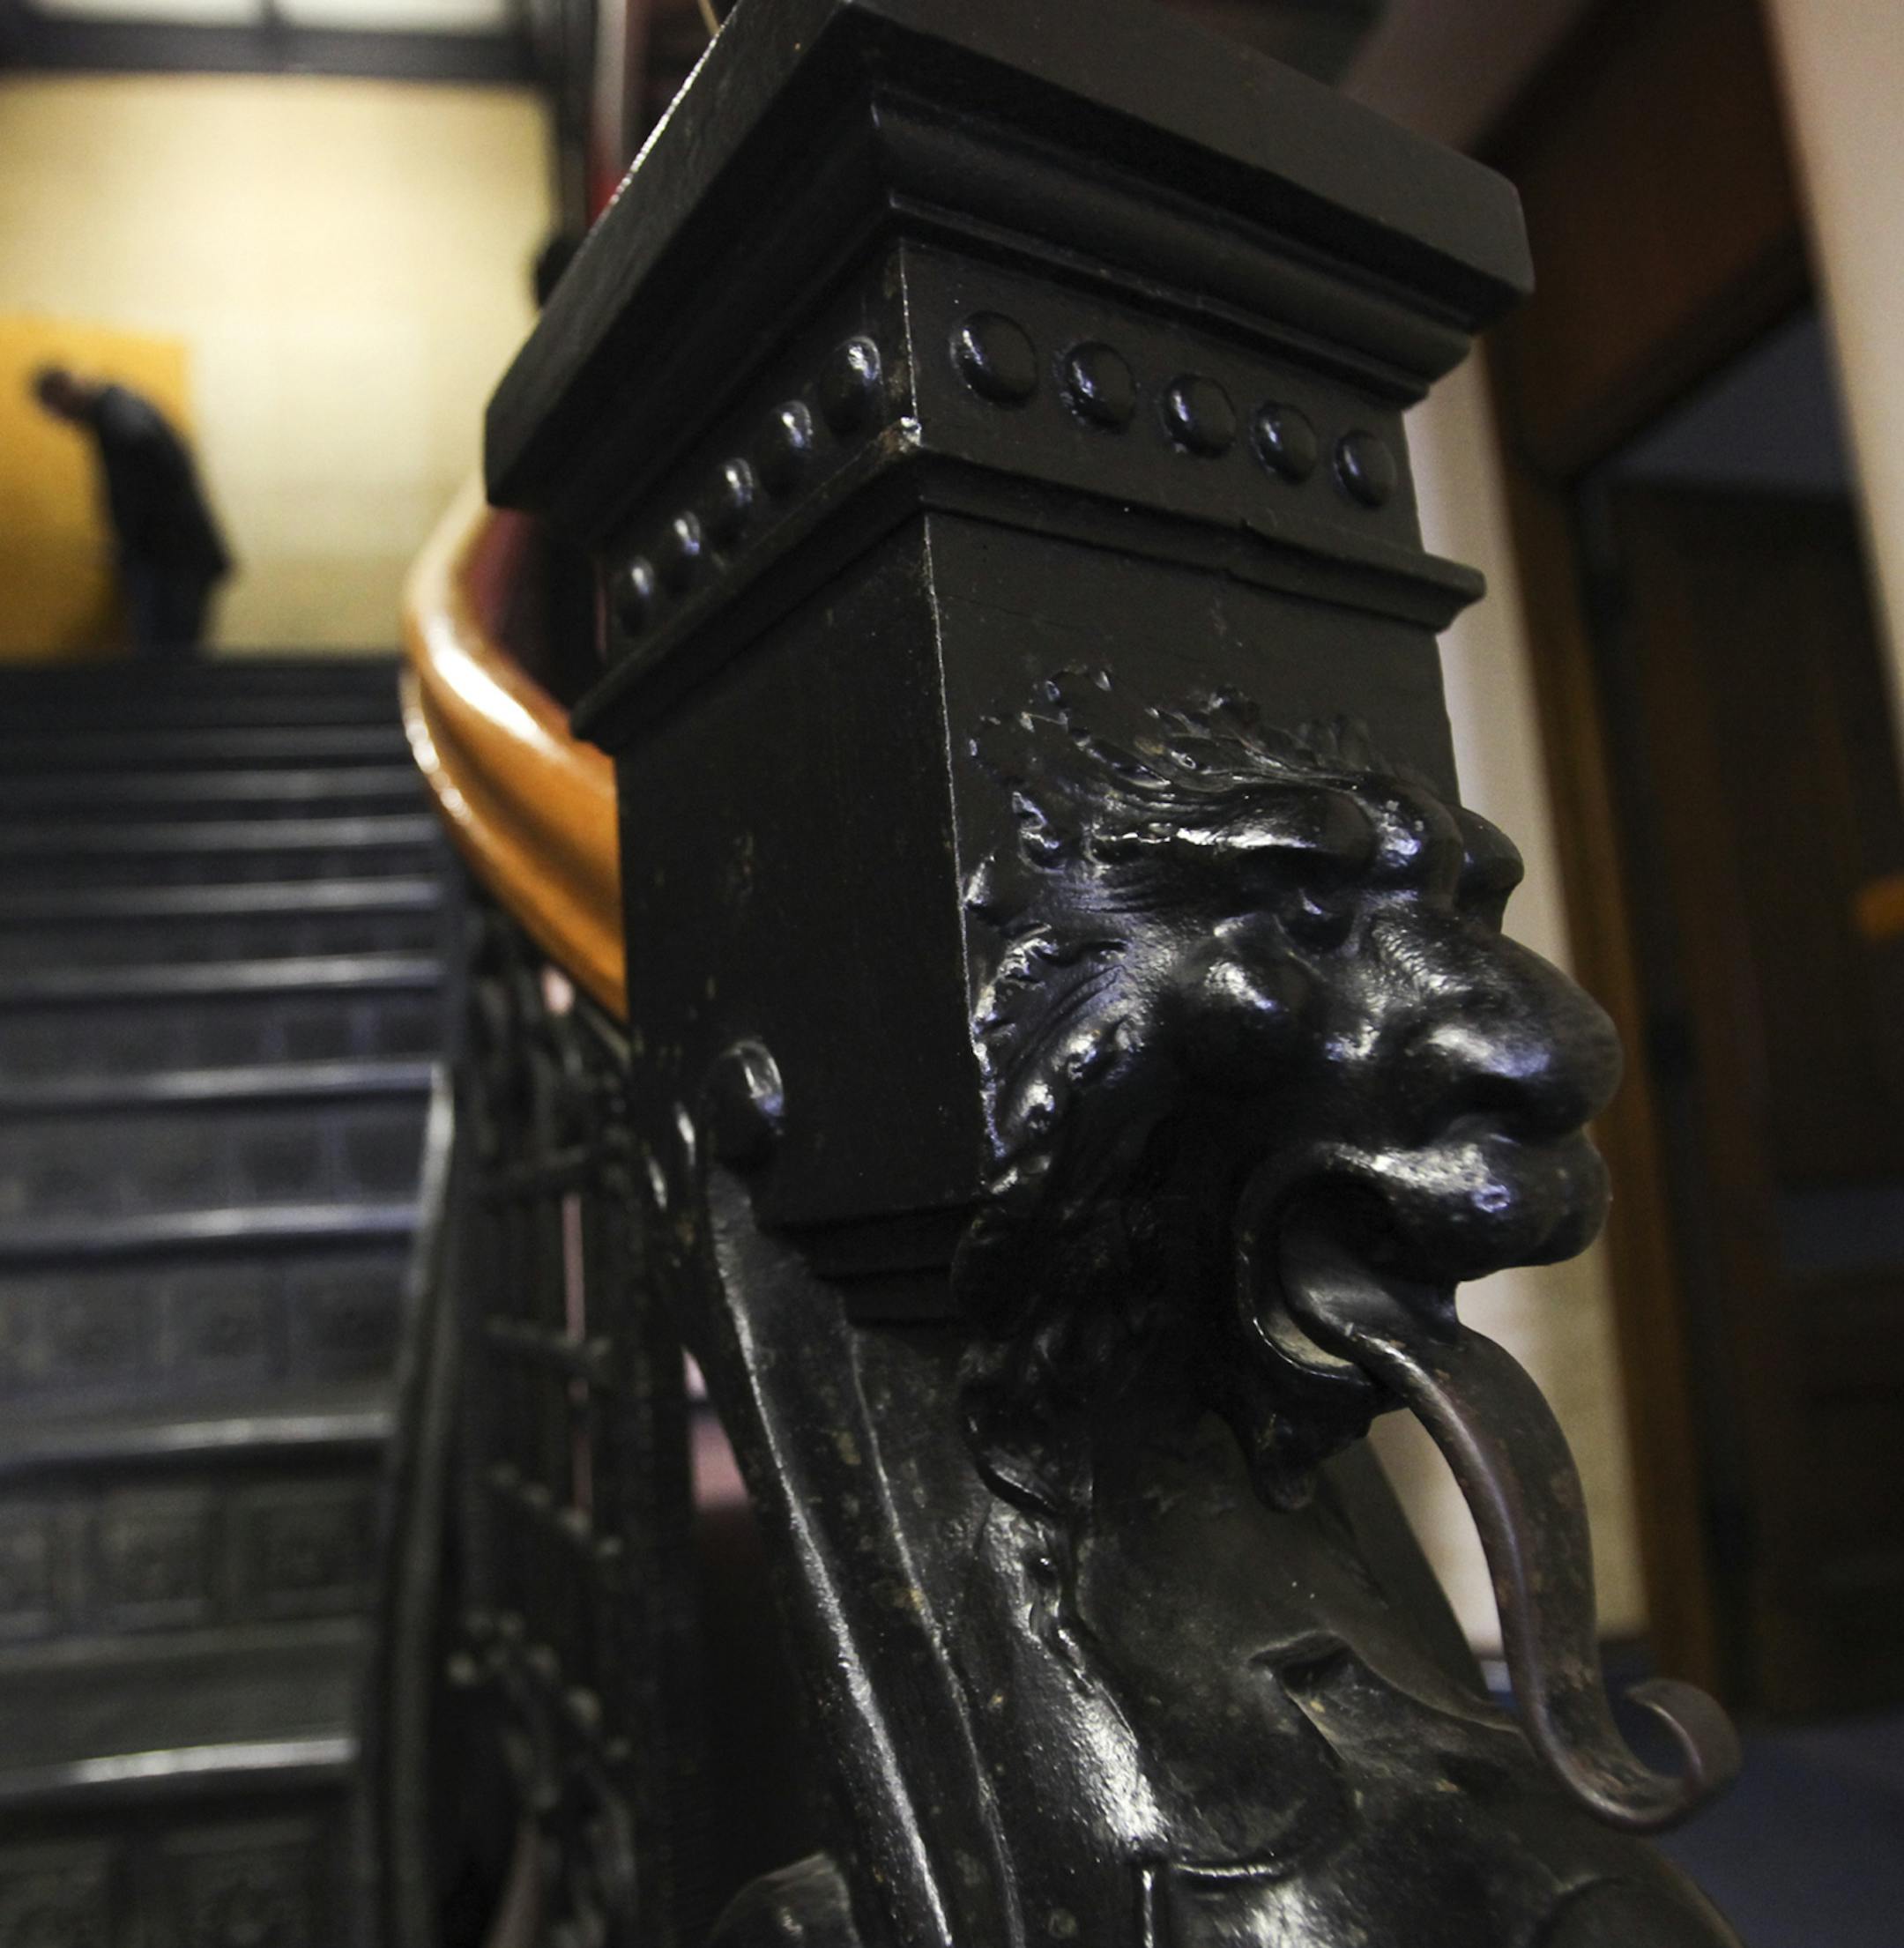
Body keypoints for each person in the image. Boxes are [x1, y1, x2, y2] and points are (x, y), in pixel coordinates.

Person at [32, 365, 233, 656]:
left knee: (165, 660)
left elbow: (144, 479)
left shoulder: (118, 418)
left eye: (55, 409)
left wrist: (132, 540)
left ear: (64, 393)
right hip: (174, 553)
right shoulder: (120, 411)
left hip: (169, 556)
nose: (60, 419)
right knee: (173, 659)